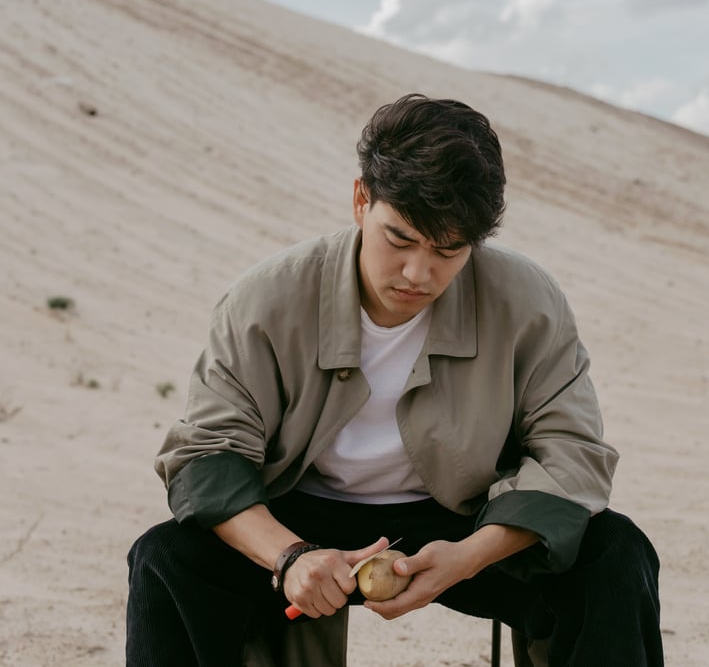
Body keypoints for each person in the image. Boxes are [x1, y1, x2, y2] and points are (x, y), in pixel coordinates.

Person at [126, 94, 664, 667]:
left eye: (448, 249)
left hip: (466, 519)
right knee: (164, 557)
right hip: (298, 513)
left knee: (616, 553)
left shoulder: (527, 300)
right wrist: (290, 557)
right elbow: (206, 455)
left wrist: (470, 556)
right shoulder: (265, 299)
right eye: (400, 238)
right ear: (362, 200)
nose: (417, 273)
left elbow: (572, 454)